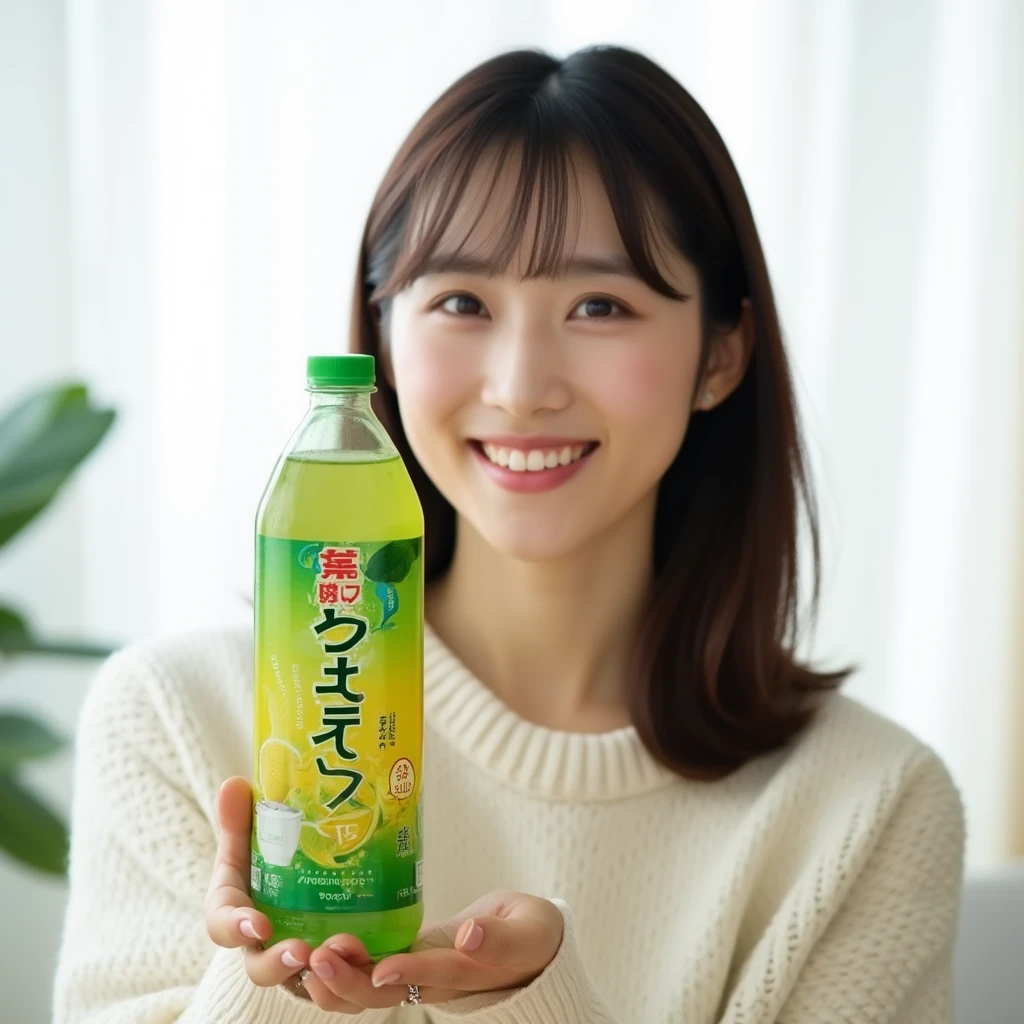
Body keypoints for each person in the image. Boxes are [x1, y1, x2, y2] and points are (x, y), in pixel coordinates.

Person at [53, 46, 965, 1023]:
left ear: (722, 353)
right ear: (385, 342)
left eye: (599, 305)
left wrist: (538, 1003)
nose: (522, 385)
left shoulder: (869, 806)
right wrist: (280, 967)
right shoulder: (183, 720)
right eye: (460, 303)